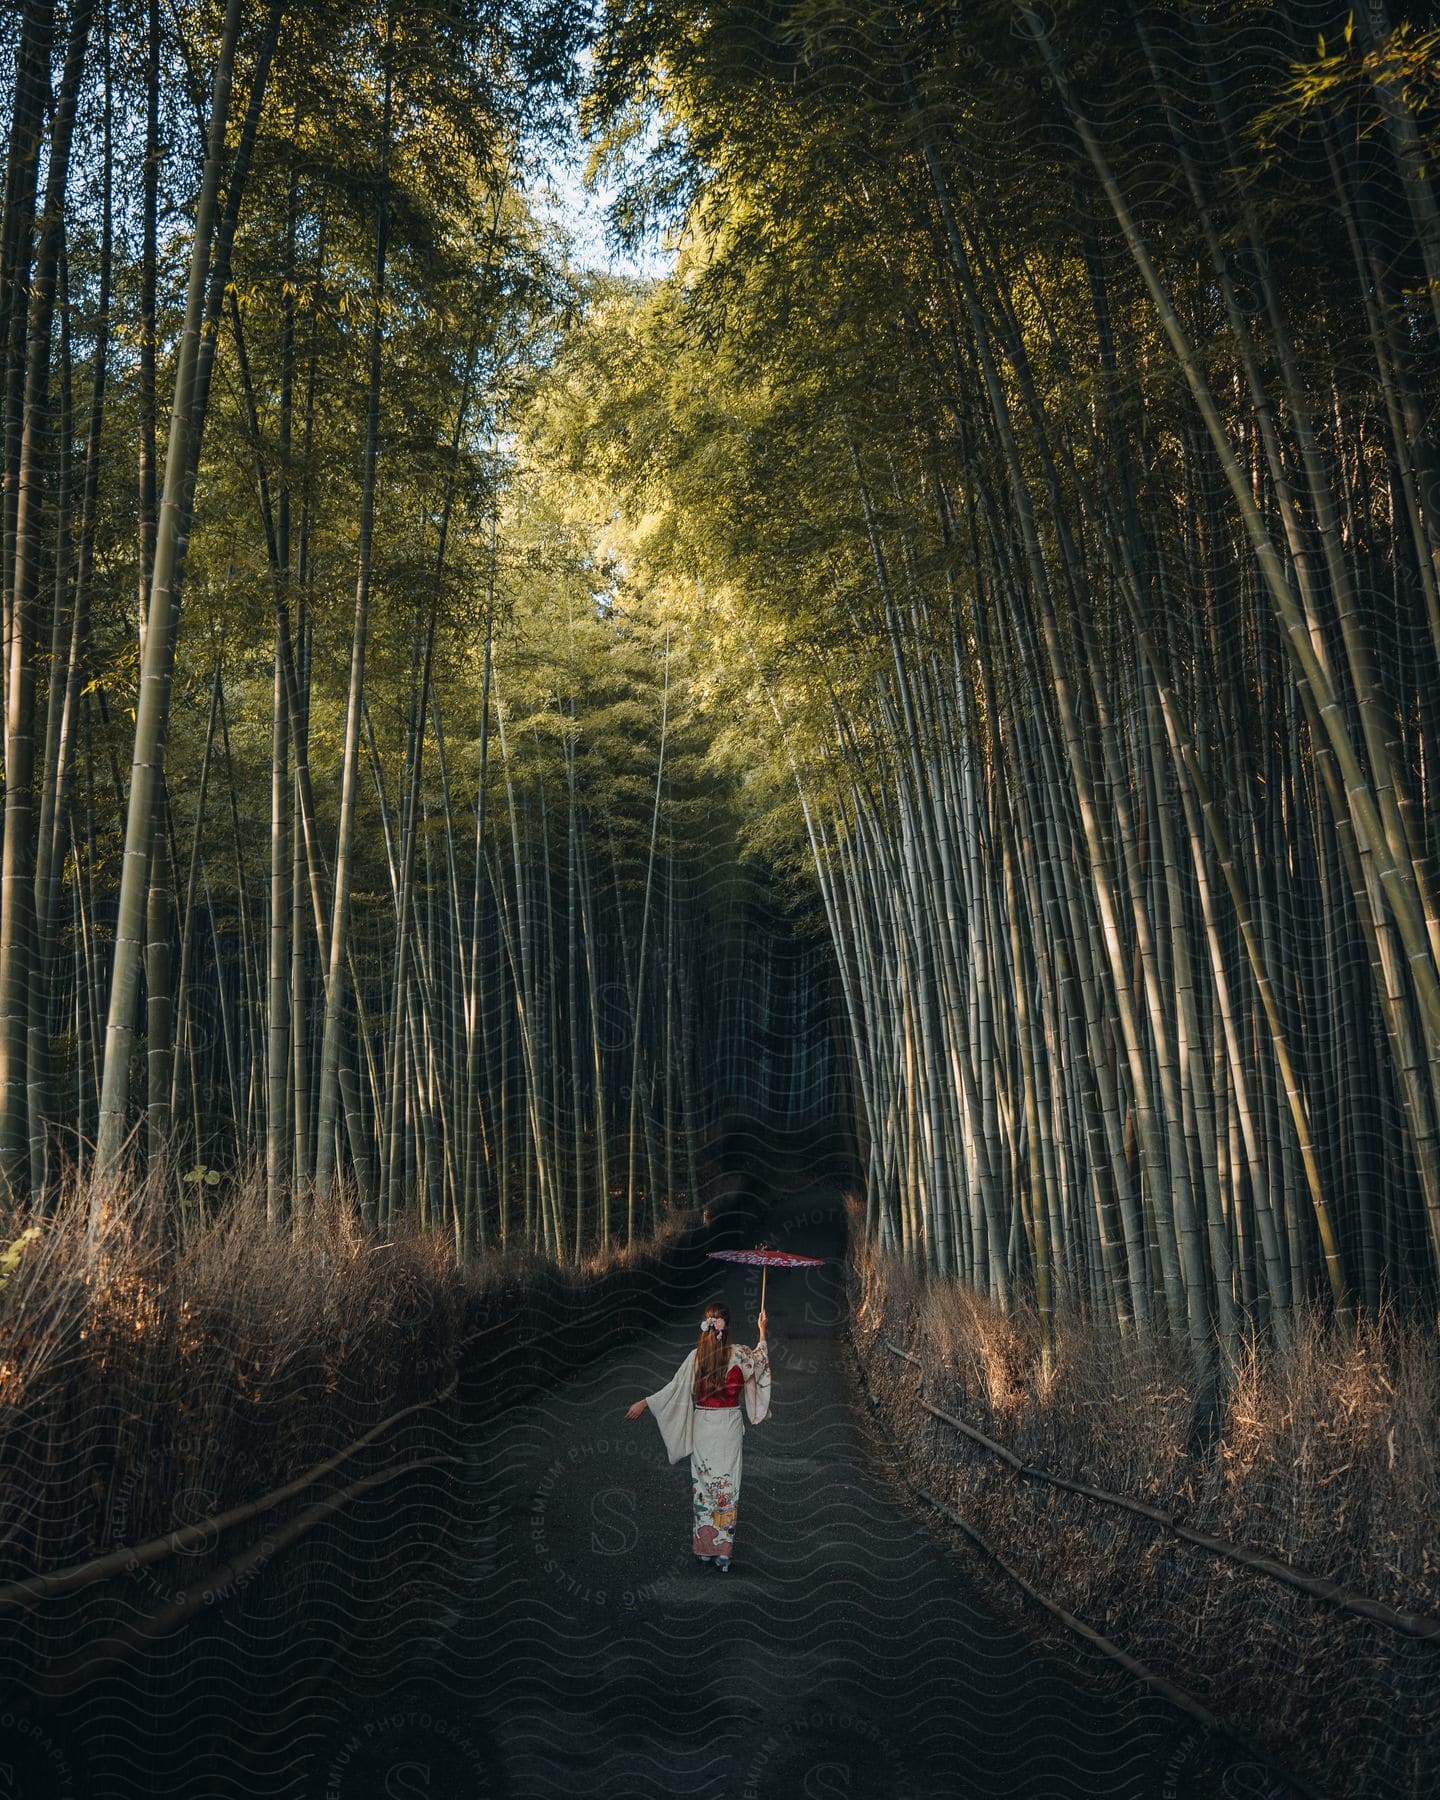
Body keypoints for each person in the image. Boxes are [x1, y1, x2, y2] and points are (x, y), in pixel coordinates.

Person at [624, 1300, 771, 1573]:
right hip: (728, 1426)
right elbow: (761, 1360)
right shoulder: (740, 1355)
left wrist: (645, 1402)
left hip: (703, 1425)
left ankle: (705, 1549)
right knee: (727, 1487)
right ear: (727, 1328)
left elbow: (674, 1388)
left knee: (703, 1487)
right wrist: (762, 1330)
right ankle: (723, 1551)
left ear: (706, 1325)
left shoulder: (696, 1357)